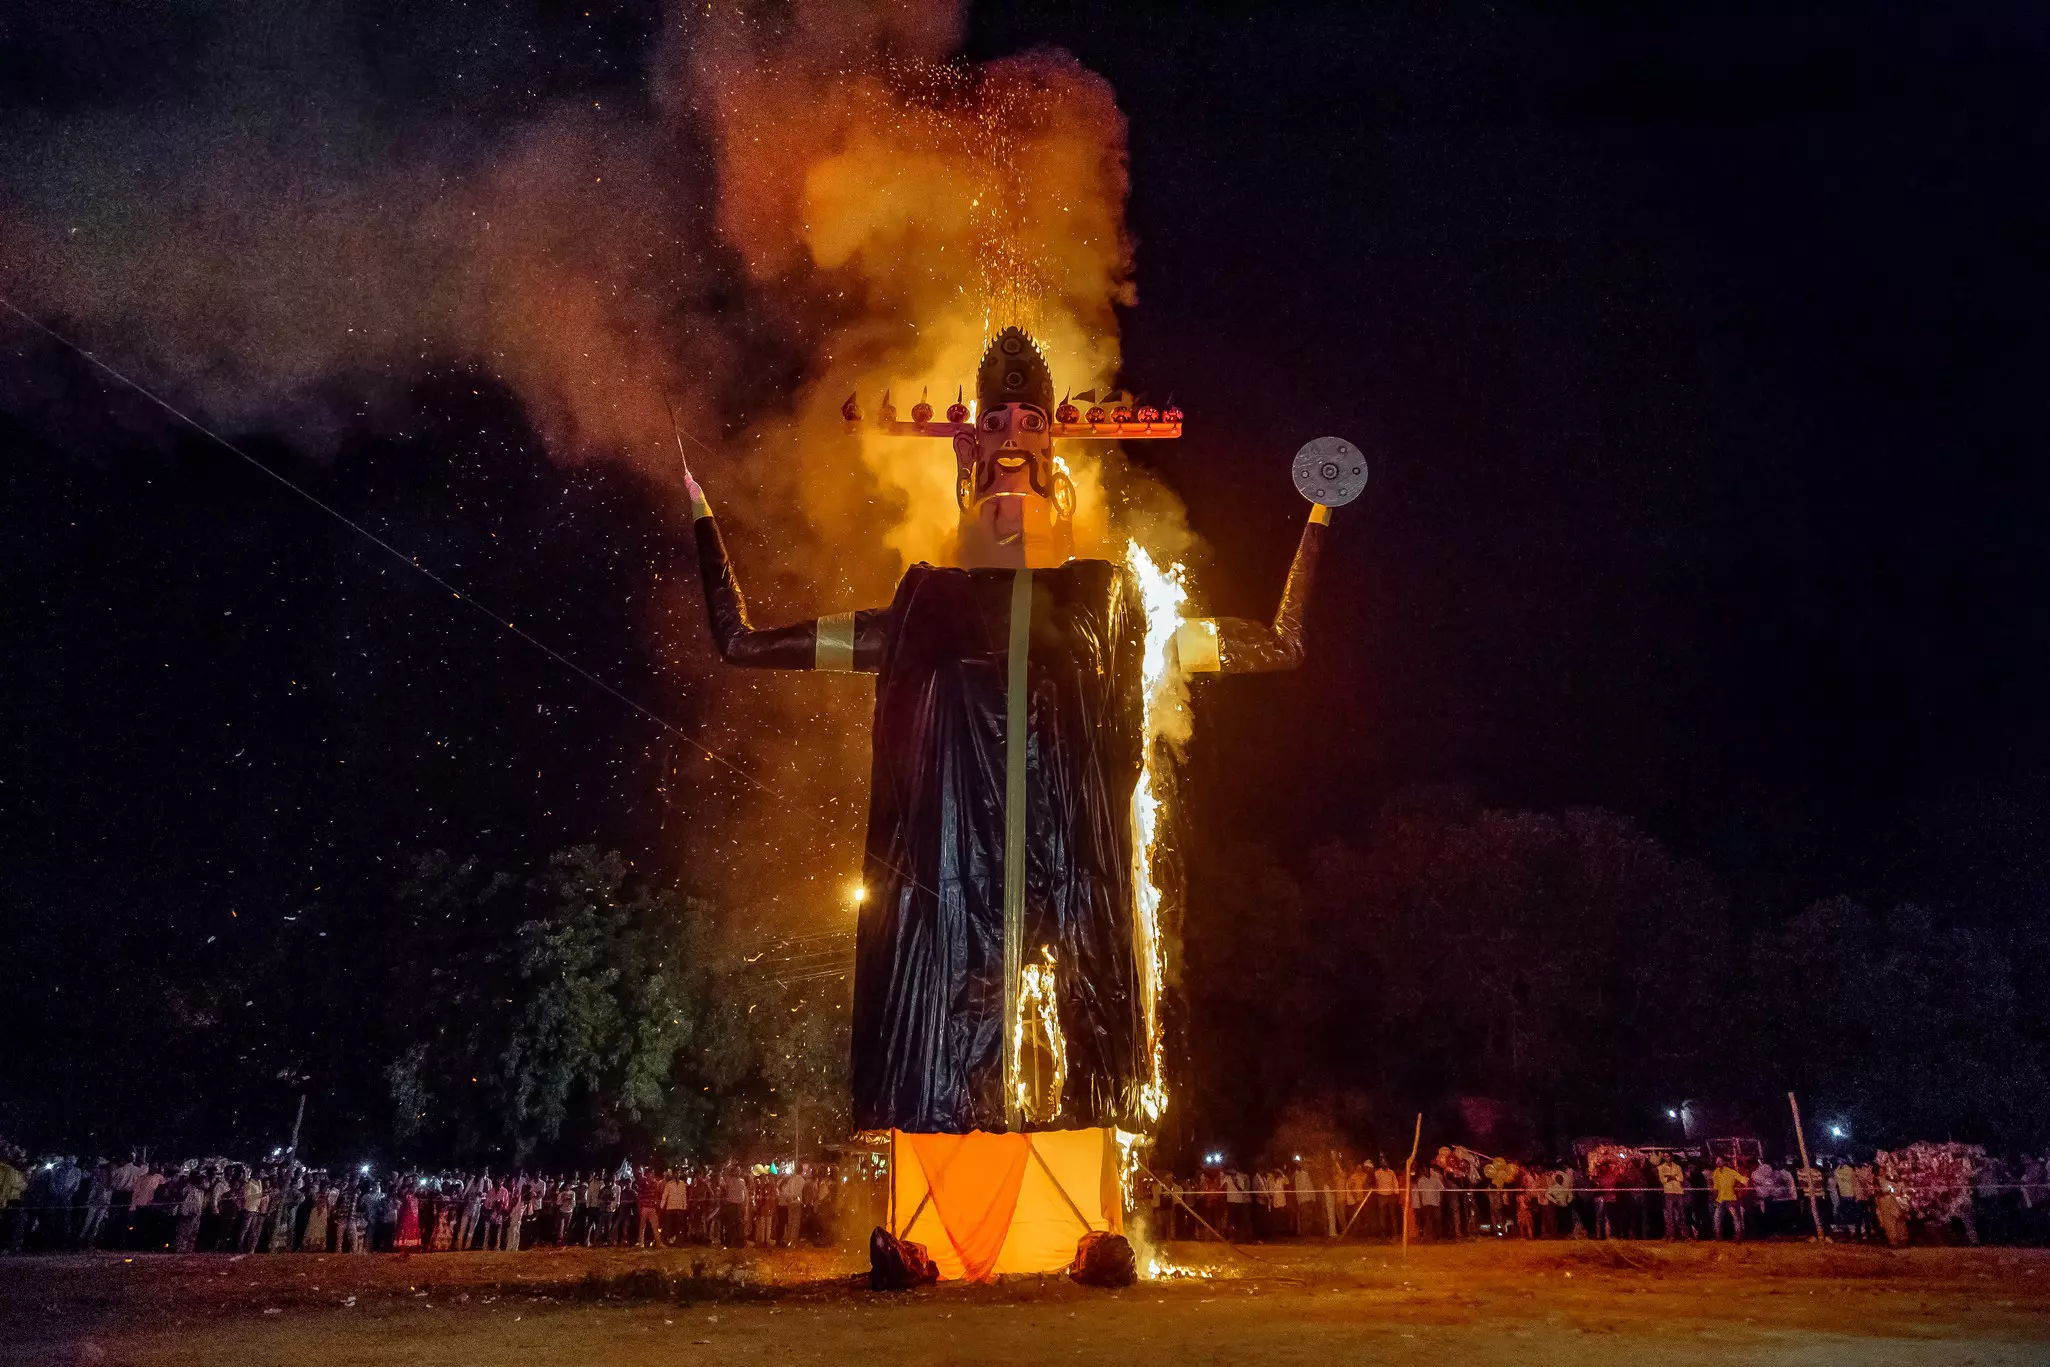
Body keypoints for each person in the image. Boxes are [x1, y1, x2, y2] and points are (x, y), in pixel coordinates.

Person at [1710, 1157, 1746, 1241]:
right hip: (1721, 1199)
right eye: (1717, 1161)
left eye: (1719, 1161)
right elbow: (1716, 1188)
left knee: (1735, 1218)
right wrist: (1714, 1199)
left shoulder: (1731, 1172)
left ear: (1724, 1161)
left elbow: (1744, 1180)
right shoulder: (1715, 1172)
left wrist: (1740, 1189)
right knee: (1717, 1218)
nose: (1717, 1162)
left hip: (1730, 1200)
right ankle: (1718, 1237)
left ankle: (1738, 1236)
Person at [1657, 1154, 1688, 1240]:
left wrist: (1670, 1177)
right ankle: (1671, 1235)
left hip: (1678, 1192)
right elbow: (1662, 1180)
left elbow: (1681, 1178)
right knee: (1670, 1215)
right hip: (1669, 1192)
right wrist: (1674, 1177)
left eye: (1668, 1156)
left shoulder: (1677, 1167)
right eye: (1665, 1156)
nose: (1667, 1158)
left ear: (1671, 1157)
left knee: (1681, 1214)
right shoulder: (1661, 1168)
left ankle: (1683, 1235)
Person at [1411, 1164, 1445, 1240]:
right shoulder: (1421, 1180)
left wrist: (1440, 1201)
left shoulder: (1436, 1179)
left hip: (1436, 1203)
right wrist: (1421, 1203)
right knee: (1427, 1220)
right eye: (1424, 1170)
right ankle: (1428, 1236)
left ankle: (1437, 1237)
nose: (1425, 1171)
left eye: (1427, 1170)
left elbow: (1442, 1190)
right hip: (1426, 1203)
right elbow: (1419, 1193)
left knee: (1437, 1219)